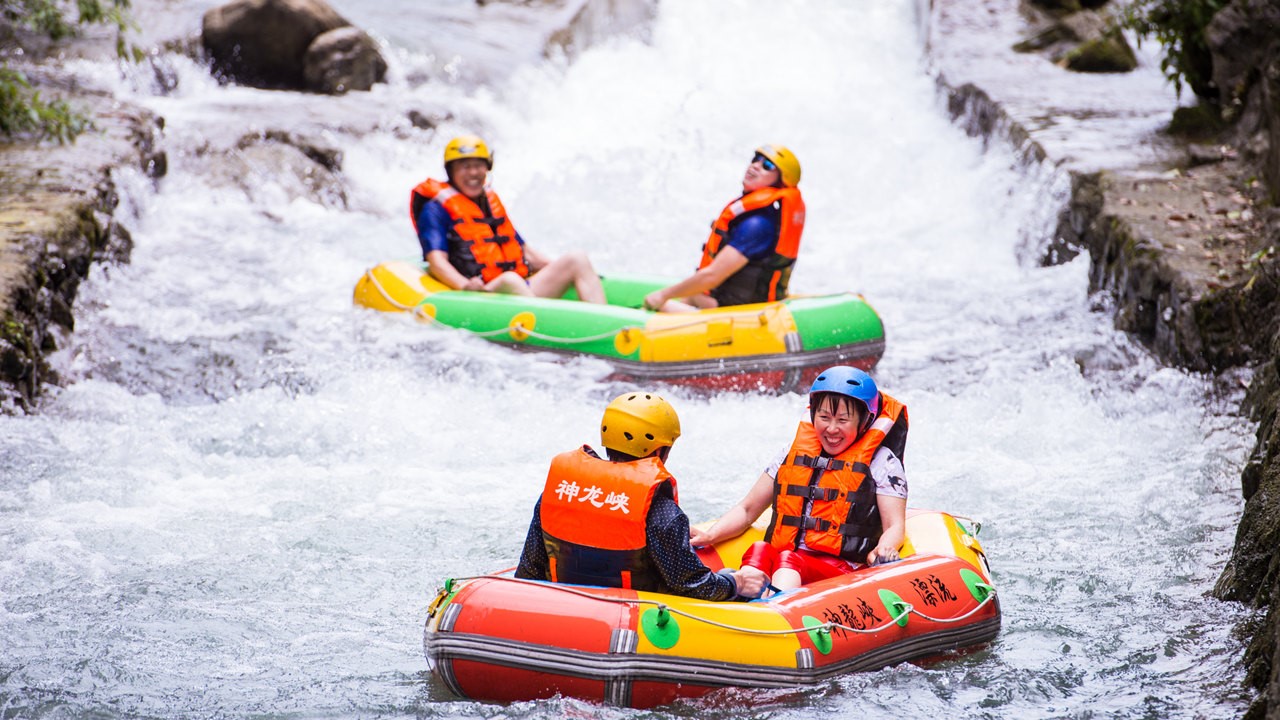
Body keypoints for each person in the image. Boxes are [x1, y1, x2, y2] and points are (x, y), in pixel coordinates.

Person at [515, 391, 767, 600]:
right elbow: (692, 585)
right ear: (660, 450)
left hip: (563, 605)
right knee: (735, 582)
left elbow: (529, 569)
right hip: (636, 617)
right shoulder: (663, 512)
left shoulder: (559, 492)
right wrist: (736, 583)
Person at [688, 366, 908, 594]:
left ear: (865, 421)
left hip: (842, 570)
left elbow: (894, 525)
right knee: (760, 549)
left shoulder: (882, 462)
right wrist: (711, 535)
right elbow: (747, 509)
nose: (831, 429)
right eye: (824, 417)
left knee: (789, 559)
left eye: (843, 420)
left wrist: (884, 549)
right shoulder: (790, 453)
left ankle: (772, 610)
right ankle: (744, 606)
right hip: (790, 561)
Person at [410, 134, 606, 303]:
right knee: (510, 279)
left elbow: (525, 251)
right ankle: (549, 328)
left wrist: (562, 271)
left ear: (487, 169)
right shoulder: (435, 209)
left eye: (478, 166)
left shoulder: (488, 202)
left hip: (517, 288)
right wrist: (465, 286)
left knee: (576, 259)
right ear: (451, 172)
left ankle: (605, 323)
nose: (473, 173)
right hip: (480, 293)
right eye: (465, 166)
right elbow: (436, 262)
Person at [643, 144, 805, 312]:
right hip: (729, 304)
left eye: (767, 166)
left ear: (780, 182)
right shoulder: (755, 215)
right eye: (756, 159)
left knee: (661, 305)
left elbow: (711, 276)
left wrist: (663, 295)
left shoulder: (758, 225)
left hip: (742, 315)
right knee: (691, 295)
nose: (755, 166)